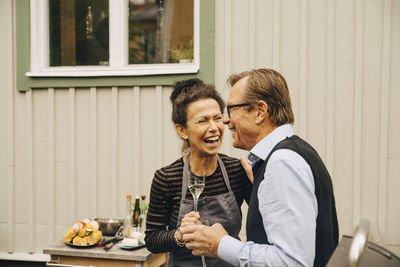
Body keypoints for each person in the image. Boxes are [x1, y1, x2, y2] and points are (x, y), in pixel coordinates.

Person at [181, 68, 339, 267]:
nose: (226, 121)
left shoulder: (282, 164)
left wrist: (220, 244)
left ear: (260, 111)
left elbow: (291, 262)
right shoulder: (296, 152)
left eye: (231, 110)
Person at [144, 78, 252, 267]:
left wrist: (260, 183)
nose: (214, 128)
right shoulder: (167, 178)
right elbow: (152, 239)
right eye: (202, 121)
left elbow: (265, 219)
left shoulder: (237, 171)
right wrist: (179, 235)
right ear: (182, 130)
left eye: (217, 118)